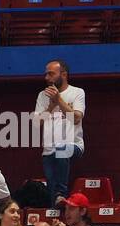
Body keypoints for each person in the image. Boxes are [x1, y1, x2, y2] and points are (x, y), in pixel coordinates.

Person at [34, 60, 87, 203]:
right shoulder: (42, 96)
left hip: (73, 144)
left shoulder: (77, 92)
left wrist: (59, 101)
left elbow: (76, 118)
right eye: (46, 74)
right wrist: (51, 106)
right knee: (52, 193)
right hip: (48, 150)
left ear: (63, 74)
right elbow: (36, 124)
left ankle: (61, 193)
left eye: (51, 74)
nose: (46, 78)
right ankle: (57, 206)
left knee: (61, 148)